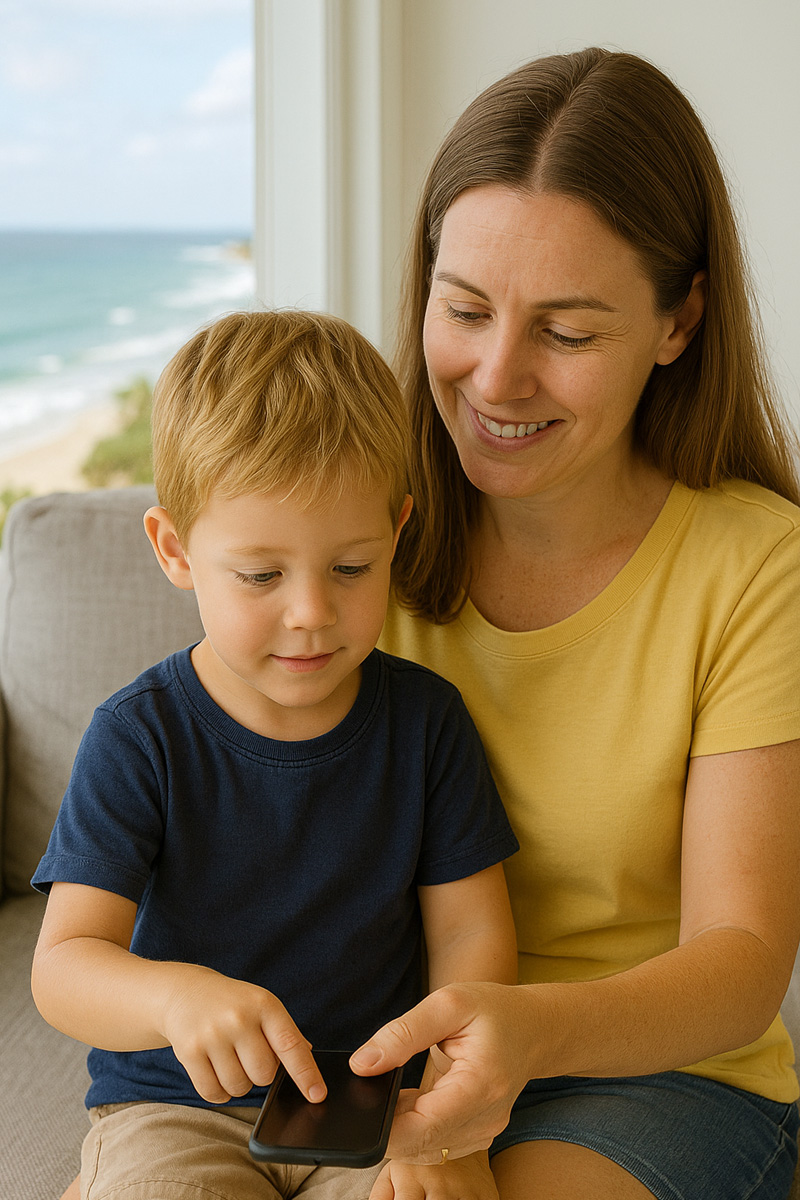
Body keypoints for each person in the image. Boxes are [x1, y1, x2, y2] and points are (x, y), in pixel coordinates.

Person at [348, 46, 800, 1200]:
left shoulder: (754, 564)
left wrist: (524, 1036)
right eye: (464, 310)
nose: (495, 379)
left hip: (657, 1073)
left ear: (675, 321)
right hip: (381, 1052)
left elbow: (741, 964)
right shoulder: (351, 537)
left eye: (565, 332)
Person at [31, 309, 520, 1200]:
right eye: (261, 575)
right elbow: (64, 967)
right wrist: (174, 999)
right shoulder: (139, 735)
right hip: (176, 1109)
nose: (311, 613)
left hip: (374, 1103)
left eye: (350, 568)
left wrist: (447, 1124)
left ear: (398, 533)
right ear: (176, 551)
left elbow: (469, 932)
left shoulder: (426, 723)